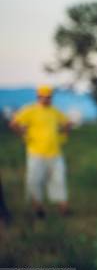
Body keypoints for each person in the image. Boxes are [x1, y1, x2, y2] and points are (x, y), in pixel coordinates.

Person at [10, 85, 72, 217]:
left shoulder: (54, 111)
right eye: (43, 97)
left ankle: (64, 208)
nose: (46, 100)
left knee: (59, 180)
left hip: (55, 152)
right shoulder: (29, 110)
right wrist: (23, 133)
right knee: (34, 180)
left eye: (48, 97)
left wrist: (63, 134)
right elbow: (14, 123)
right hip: (36, 152)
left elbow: (67, 123)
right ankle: (38, 208)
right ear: (38, 97)